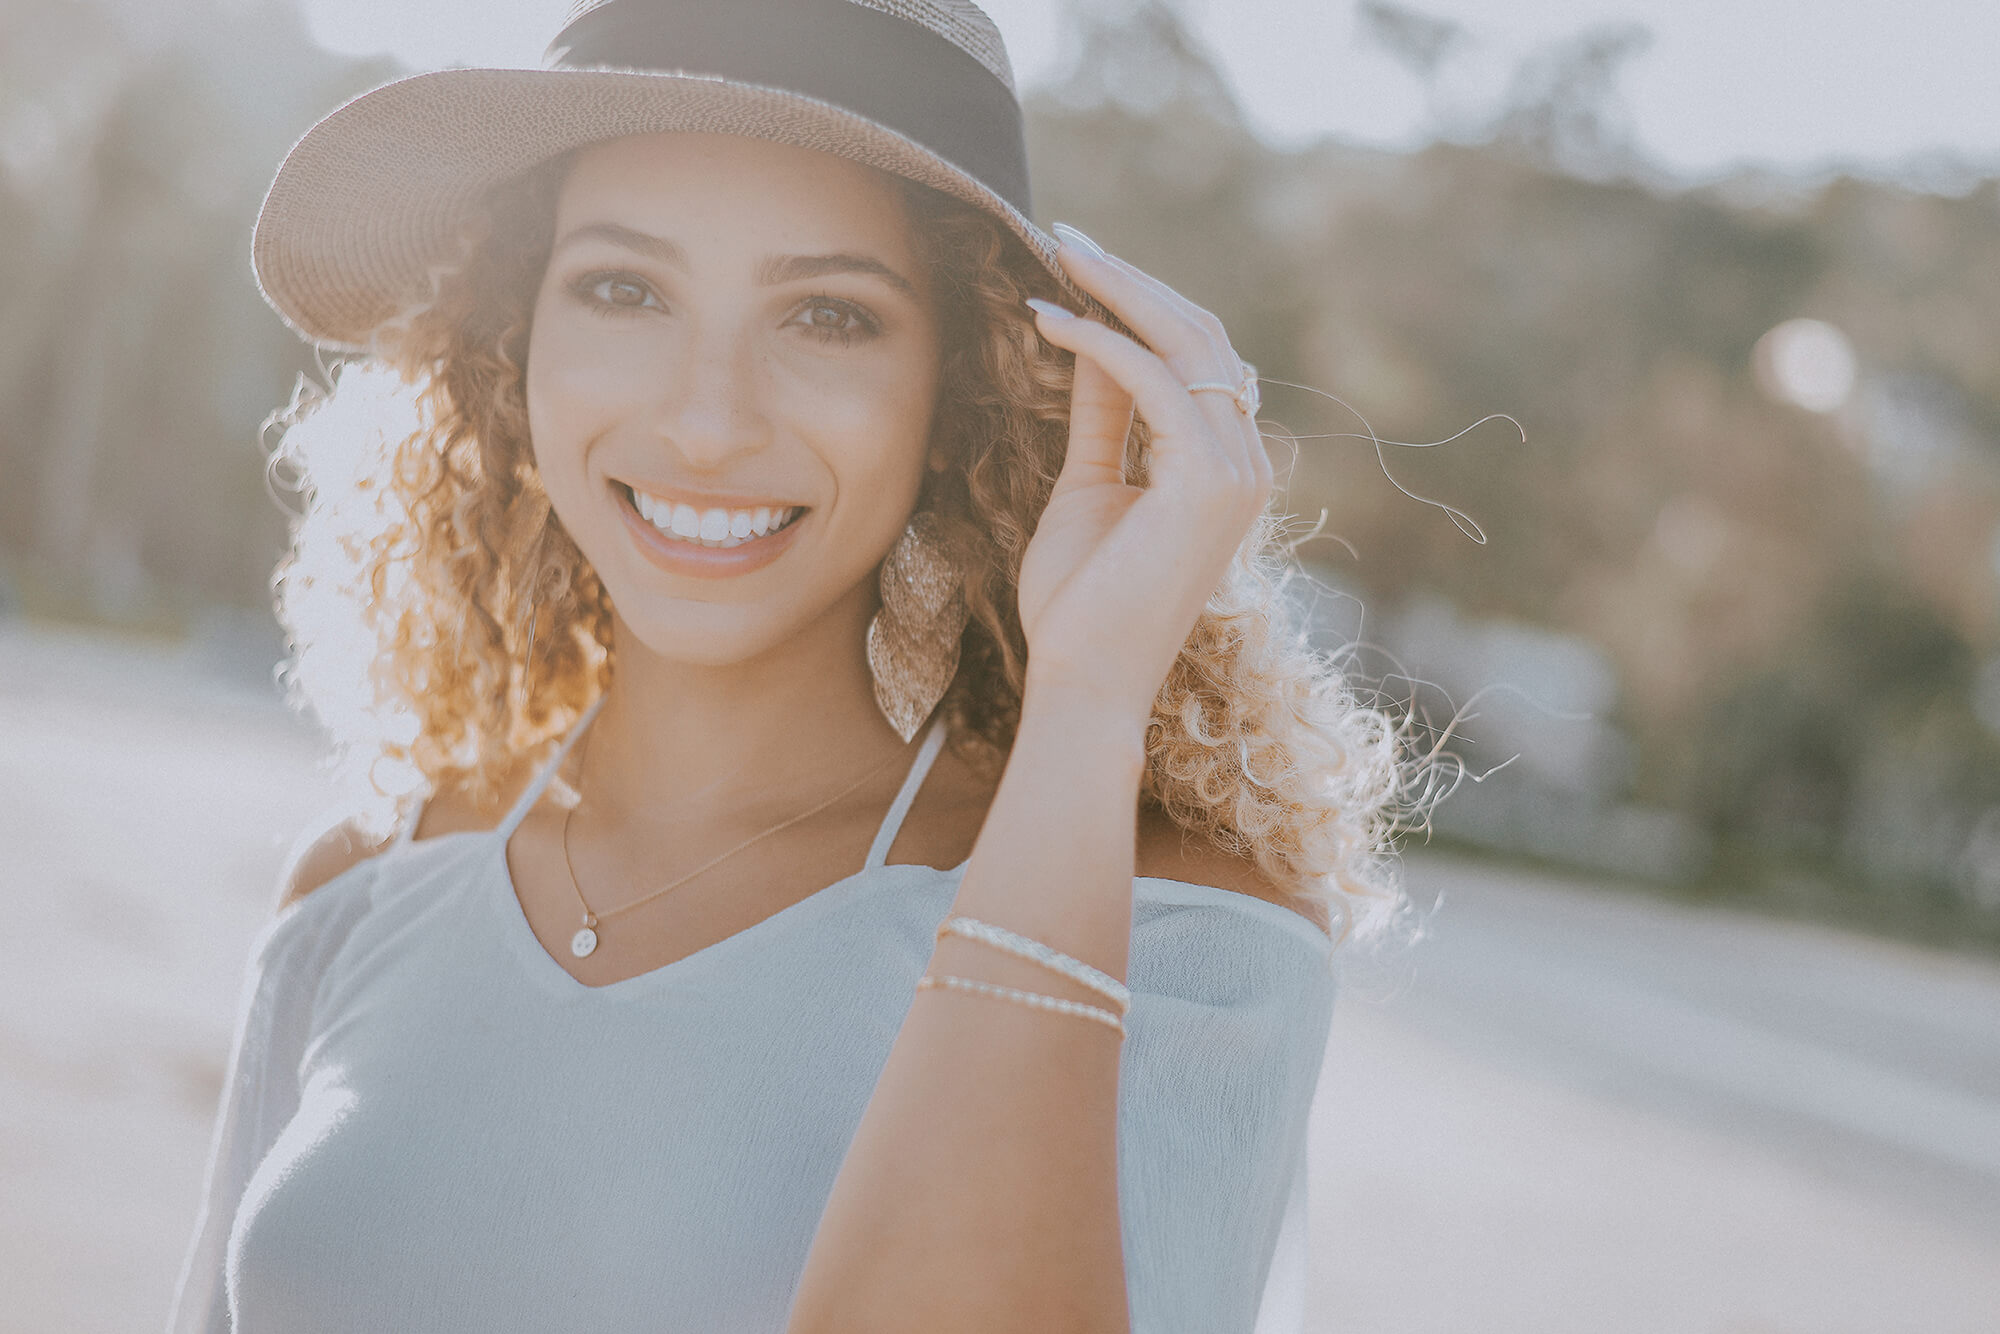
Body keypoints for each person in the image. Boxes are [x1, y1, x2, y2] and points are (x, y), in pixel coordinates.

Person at [169, 1, 1427, 1330]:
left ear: (963, 390)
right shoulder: (360, 889)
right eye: (623, 288)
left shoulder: (1184, 939)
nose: (710, 421)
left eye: (828, 315)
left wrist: (1090, 703)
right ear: (510, 345)